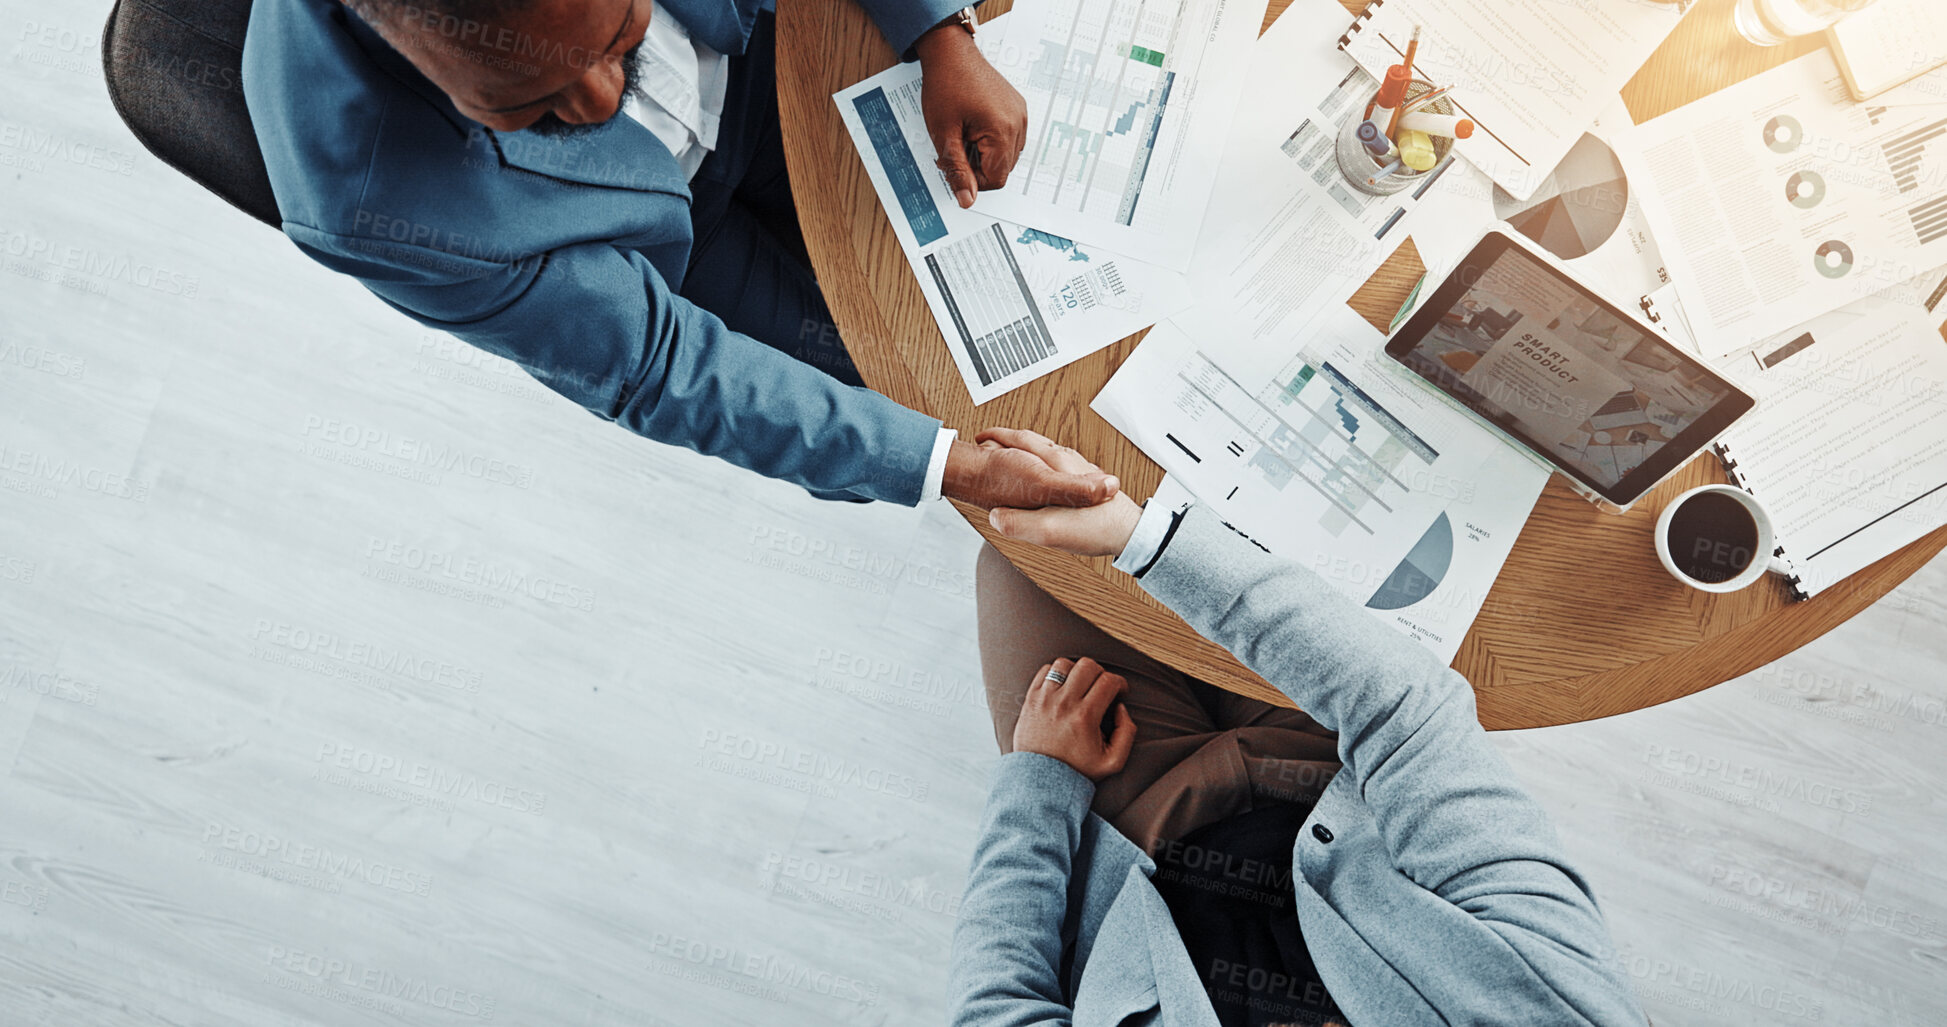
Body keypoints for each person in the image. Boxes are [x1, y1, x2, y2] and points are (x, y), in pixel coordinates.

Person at [241, 0, 1116, 511]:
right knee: (938, 391)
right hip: (670, 244)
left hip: (764, 49)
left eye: (621, 34)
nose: (599, 101)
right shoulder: (369, 204)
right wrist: (950, 467)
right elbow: (658, 366)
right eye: (528, 103)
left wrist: (938, 31)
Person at [950, 429, 1648, 1026]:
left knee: (1018, 555)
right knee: (1186, 479)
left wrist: (1039, 782)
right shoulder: (1553, 1008)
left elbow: (998, 1003)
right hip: (1336, 770)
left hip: (1137, 810)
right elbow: (1406, 712)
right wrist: (1145, 540)